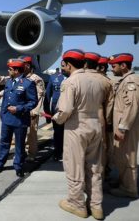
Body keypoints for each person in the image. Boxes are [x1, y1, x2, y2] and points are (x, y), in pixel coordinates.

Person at [52, 49, 105, 220]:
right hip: (95, 125)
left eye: (64, 65)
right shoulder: (97, 80)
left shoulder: (70, 82)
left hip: (77, 127)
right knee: (94, 167)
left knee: (74, 166)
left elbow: (65, 110)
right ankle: (96, 206)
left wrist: (57, 118)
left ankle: (77, 204)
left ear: (68, 64)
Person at [0, 58, 37, 177]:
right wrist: (2, 113)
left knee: (19, 144)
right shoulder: (9, 82)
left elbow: (33, 102)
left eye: (10, 69)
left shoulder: (28, 83)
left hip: (20, 119)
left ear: (17, 71)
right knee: (4, 142)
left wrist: (18, 109)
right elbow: (5, 100)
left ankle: (18, 166)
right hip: (7, 119)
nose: (8, 71)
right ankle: (0, 163)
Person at [108, 53, 139, 199]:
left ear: (123, 66)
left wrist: (122, 127)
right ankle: (123, 181)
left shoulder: (131, 81)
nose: (112, 69)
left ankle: (130, 188)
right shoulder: (124, 80)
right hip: (122, 126)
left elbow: (132, 106)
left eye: (114, 66)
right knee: (121, 155)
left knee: (128, 156)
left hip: (127, 127)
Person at [84, 52, 114, 180]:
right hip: (101, 120)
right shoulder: (107, 82)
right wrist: (109, 123)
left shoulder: (81, 79)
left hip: (83, 121)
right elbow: (110, 105)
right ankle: (101, 174)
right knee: (102, 149)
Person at [18, 55, 45, 162]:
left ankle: (32, 154)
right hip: (21, 110)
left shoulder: (36, 79)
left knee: (31, 133)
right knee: (20, 133)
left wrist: (34, 110)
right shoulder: (20, 77)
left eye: (22, 65)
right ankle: (21, 152)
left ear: (28, 65)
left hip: (31, 111)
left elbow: (40, 96)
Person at [44, 67, 66, 161]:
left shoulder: (75, 78)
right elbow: (47, 97)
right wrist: (47, 114)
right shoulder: (54, 77)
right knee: (58, 132)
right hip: (57, 111)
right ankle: (57, 152)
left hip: (72, 111)